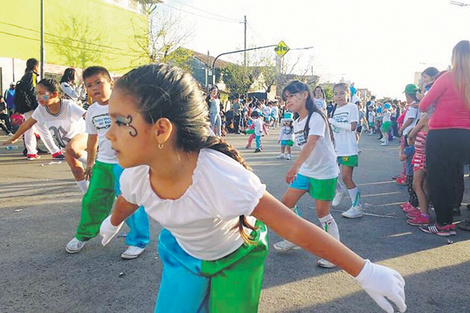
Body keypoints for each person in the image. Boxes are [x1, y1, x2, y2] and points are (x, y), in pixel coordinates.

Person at [98, 63, 406, 313]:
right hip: (183, 255)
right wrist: (112, 223)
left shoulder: (218, 176)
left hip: (237, 257)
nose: (108, 134)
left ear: (162, 129)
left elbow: (293, 226)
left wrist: (364, 271)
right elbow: (128, 200)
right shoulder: (136, 175)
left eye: (118, 122)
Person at [66, 66, 150, 258]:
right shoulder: (92, 111)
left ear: (110, 83)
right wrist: (90, 163)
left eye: (98, 82)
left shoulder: (126, 105)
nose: (94, 88)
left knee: (130, 202)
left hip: (126, 163)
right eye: (89, 85)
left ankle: (138, 241)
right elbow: (93, 139)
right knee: (92, 200)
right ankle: (84, 234)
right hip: (103, 164)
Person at [272, 81, 341, 269]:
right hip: (306, 170)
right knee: (286, 204)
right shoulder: (296, 121)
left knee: (322, 213)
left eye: (291, 96)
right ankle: (295, 237)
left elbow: (311, 144)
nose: (288, 101)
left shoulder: (316, 117)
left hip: (324, 172)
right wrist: (299, 168)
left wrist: (294, 166)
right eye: (286, 98)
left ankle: (335, 253)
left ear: (304, 95)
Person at [418, 40, 470, 236]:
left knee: (441, 180)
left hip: (442, 135)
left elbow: (424, 105)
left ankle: (444, 224)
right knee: (459, 179)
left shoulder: (448, 78)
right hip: (467, 134)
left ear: (454, 57)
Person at [2, 79, 88, 192]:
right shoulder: (41, 110)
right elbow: (27, 123)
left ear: (55, 94)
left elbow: (88, 115)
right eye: (37, 93)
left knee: (72, 148)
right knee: (77, 170)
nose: (38, 97)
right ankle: (89, 195)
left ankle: (97, 165)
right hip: (67, 145)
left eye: (42, 93)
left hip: (83, 135)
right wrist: (14, 138)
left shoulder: (68, 105)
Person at [15, 58, 63, 160]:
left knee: (29, 129)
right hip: (33, 106)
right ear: (35, 66)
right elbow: (33, 92)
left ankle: (31, 152)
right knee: (42, 128)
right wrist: (42, 102)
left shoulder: (24, 76)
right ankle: (55, 152)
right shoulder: (31, 75)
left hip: (26, 107)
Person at [329, 83, 363, 218]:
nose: (339, 96)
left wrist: (333, 122)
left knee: (346, 178)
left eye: (342, 93)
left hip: (348, 148)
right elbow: (333, 130)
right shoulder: (334, 109)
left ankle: (357, 207)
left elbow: (352, 127)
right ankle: (340, 191)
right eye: (336, 93)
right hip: (336, 149)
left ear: (348, 94)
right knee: (329, 174)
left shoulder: (352, 107)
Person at [405, 115, 430, 226]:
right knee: (425, 185)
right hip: (427, 156)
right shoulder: (437, 119)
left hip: (421, 157)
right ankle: (424, 210)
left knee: (417, 185)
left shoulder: (426, 118)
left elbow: (411, 134)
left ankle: (424, 214)